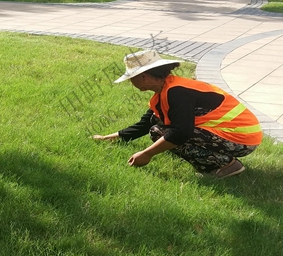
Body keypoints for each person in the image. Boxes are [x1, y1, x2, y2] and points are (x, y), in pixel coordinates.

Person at [94, 50, 262, 178]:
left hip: (242, 139)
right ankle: (217, 160)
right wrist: (109, 137)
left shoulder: (177, 93)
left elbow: (181, 132)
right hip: (237, 136)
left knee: (161, 133)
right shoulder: (166, 91)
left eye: (131, 78)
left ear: (143, 77)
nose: (131, 82)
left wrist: (147, 154)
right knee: (157, 127)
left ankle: (226, 166)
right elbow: (146, 123)